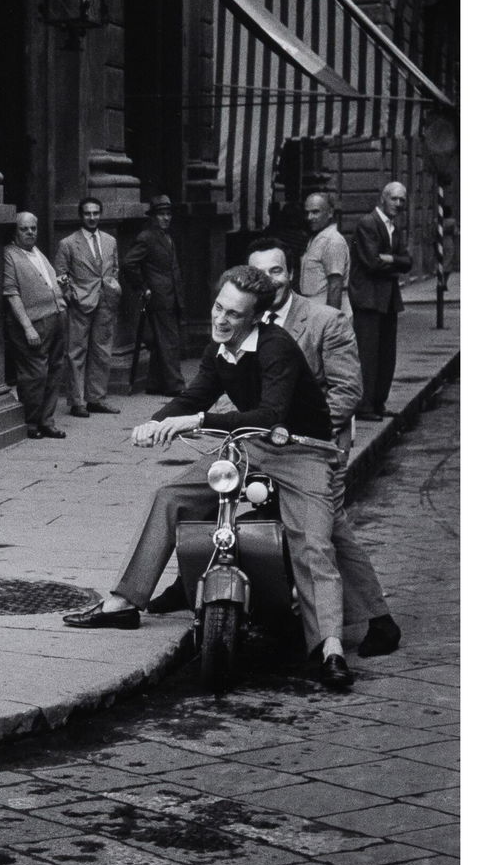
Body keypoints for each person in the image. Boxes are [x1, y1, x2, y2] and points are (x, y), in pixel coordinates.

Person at [62, 265, 355, 690]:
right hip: (248, 446)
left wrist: (196, 421)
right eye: (219, 307)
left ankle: (330, 648)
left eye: (233, 315)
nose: (221, 319)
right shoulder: (219, 348)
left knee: (314, 542)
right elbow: (195, 392)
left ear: (255, 318)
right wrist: (156, 422)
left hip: (301, 451)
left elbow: (270, 413)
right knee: (170, 495)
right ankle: (124, 601)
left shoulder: (277, 348)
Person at [241, 241, 401, 657]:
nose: (268, 281)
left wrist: (292, 430)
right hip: (268, 444)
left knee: (327, 531)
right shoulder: (247, 322)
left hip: (317, 446)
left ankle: (376, 622)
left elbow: (348, 391)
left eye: (276, 271)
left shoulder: (324, 319)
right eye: (259, 273)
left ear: (290, 273)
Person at [53, 196, 122, 418]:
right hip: (80, 303)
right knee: (76, 352)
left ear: (100, 214)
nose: (92, 217)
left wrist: (113, 288)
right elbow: (60, 275)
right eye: (87, 213)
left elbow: (115, 268)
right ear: (81, 215)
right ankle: (77, 401)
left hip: (105, 301)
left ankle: (96, 398)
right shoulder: (68, 243)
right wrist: (71, 295)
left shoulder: (110, 241)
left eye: (95, 213)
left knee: (102, 351)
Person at [347, 181, 412, 420]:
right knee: (368, 354)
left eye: (402, 200)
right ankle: (364, 406)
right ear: (383, 198)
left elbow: (409, 262)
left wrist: (390, 259)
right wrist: (396, 263)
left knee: (386, 354)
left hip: (387, 300)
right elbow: (372, 262)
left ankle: (377, 403)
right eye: (394, 199)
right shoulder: (368, 223)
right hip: (368, 299)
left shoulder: (394, 227)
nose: (398, 204)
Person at [1, 212, 68, 440]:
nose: (30, 233)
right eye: (24, 229)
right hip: (33, 322)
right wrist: (27, 326)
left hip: (57, 316)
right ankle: (31, 422)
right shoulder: (10, 254)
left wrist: (59, 285)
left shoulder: (37, 252)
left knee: (55, 370)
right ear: (15, 231)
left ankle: (47, 421)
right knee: (34, 374)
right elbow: (11, 293)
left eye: (33, 228)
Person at [121, 194, 185, 395]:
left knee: (160, 341)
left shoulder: (167, 236)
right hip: (158, 296)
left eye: (168, 214)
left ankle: (155, 384)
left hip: (171, 295)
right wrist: (143, 287)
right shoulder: (146, 237)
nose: (166, 218)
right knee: (169, 341)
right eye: (161, 214)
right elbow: (128, 263)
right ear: (153, 217)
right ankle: (176, 386)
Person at [298, 192, 349, 311]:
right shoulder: (317, 237)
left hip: (325, 308)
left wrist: (331, 322)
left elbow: (335, 286)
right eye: (307, 213)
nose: (309, 217)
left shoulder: (333, 241)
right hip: (313, 307)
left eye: (315, 212)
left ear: (330, 213)